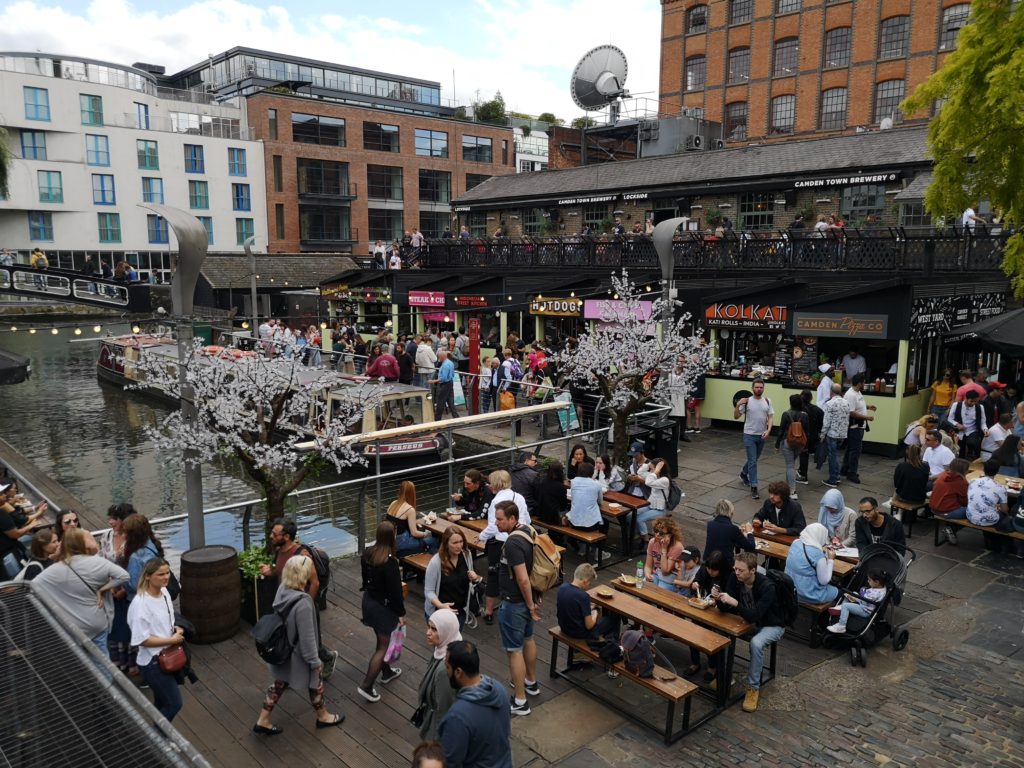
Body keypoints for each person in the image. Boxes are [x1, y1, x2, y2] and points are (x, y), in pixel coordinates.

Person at [253, 555, 344, 734]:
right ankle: (323, 716)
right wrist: (316, 663)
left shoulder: (282, 590)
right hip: (296, 655)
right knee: (315, 683)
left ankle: (263, 719)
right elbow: (308, 640)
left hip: (283, 649)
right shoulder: (304, 603)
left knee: (279, 684)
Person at [258, 518, 338, 675]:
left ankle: (328, 658)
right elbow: (280, 570)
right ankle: (288, 674)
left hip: (303, 605)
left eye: (275, 534)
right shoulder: (279, 550)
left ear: (286, 537)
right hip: (287, 603)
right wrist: (271, 571)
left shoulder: (302, 556)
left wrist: (306, 604)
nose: (271, 536)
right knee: (290, 638)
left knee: (311, 640)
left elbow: (314, 583)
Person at [33, 528, 129, 652]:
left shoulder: (56, 569)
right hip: (97, 620)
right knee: (102, 660)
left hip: (73, 625)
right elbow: (124, 576)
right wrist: (102, 589)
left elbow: (34, 584)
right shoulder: (99, 562)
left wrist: (54, 558)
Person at [714, 552, 785, 713]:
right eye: (735, 569)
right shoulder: (734, 578)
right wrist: (719, 599)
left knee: (756, 643)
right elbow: (727, 608)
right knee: (721, 631)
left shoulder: (767, 587)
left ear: (753, 570)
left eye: (741, 570)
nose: (737, 572)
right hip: (747, 620)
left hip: (772, 624)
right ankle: (724, 676)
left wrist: (736, 603)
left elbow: (755, 615)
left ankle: (753, 688)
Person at [495, 500, 540, 717]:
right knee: (528, 638)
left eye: (500, 519)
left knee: (514, 651)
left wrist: (530, 606)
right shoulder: (528, 530)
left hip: (515, 602)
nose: (497, 522)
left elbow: (522, 578)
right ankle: (531, 681)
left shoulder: (512, 543)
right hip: (526, 599)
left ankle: (521, 700)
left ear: (512, 519)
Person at [127, 557, 186, 721]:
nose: (166, 577)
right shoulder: (140, 604)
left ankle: (156, 735)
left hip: (166, 655)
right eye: (161, 574)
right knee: (174, 703)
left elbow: (165, 619)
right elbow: (142, 639)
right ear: (147, 576)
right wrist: (172, 640)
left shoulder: (164, 592)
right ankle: (159, 736)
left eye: (167, 573)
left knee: (162, 702)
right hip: (152, 662)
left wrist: (175, 629)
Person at [440, 640, 512, 768]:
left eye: (447, 667)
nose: (447, 671)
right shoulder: (499, 689)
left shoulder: (457, 717)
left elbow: (450, 762)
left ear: (458, 672)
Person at [358, 521, 406, 703]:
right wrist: (400, 613)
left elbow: (365, 580)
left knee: (381, 637)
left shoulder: (367, 554)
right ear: (392, 536)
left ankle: (386, 671)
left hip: (369, 601)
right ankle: (367, 686)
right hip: (383, 607)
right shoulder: (390, 563)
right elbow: (395, 593)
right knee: (383, 646)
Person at [478, 471, 528, 625]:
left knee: (494, 574)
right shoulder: (519, 497)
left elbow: (494, 526)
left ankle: (489, 611)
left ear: (497, 484)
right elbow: (526, 519)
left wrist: (481, 536)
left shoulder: (496, 502)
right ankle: (521, 605)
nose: (489, 485)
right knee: (518, 573)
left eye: (491, 482)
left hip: (500, 542)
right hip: (519, 539)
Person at [555, 562, 621, 662]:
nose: (589, 586)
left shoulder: (563, 587)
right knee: (613, 619)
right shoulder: (583, 596)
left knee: (601, 618)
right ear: (585, 581)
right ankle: (612, 652)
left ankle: (604, 643)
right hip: (578, 633)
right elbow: (589, 625)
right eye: (590, 583)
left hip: (564, 627)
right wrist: (594, 612)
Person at [415, 608, 462, 742]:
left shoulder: (444, 669)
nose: (428, 633)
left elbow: (444, 707)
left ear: (446, 631)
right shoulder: (444, 648)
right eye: (428, 627)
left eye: (434, 629)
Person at [424, 527, 481, 628]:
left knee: (456, 642)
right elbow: (429, 591)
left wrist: (475, 577)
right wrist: (441, 606)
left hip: (460, 611)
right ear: (446, 544)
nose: (459, 546)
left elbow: (473, 580)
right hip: (440, 613)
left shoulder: (467, 555)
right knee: (441, 643)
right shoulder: (436, 562)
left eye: (461, 541)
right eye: (454, 543)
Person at [735, 378, 774, 500]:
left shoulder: (767, 401)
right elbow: (736, 417)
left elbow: (771, 417)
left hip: (761, 435)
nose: (759, 389)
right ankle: (754, 487)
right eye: (757, 387)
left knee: (754, 459)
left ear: (763, 388)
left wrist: (768, 430)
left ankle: (743, 473)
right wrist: (738, 405)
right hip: (749, 435)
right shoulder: (747, 402)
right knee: (753, 461)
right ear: (752, 388)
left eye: (761, 387)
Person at [784, 523, 839, 605]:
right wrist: (830, 560)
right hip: (807, 594)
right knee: (838, 591)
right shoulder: (818, 554)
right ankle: (828, 616)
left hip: (789, 589)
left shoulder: (795, 543)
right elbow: (824, 581)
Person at [0, 482, 44, 579]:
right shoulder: (1, 514)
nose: (4, 495)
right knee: (17, 576)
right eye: (1, 494)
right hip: (7, 553)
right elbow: (15, 534)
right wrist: (31, 525)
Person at [826, 569, 888, 634]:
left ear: (877, 582)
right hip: (867, 605)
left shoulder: (874, 594)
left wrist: (856, 598)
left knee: (846, 605)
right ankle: (840, 608)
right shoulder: (883, 588)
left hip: (864, 610)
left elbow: (864, 601)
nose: (868, 581)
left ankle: (841, 625)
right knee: (852, 594)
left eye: (869, 580)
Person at [387, 481, 437, 557]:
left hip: (391, 542)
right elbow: (414, 533)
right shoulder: (410, 509)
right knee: (434, 540)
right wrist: (427, 534)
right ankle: (427, 563)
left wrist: (415, 522)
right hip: (401, 544)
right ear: (412, 493)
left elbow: (399, 522)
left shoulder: (393, 503)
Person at [842, 373, 876, 484]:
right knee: (855, 451)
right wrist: (867, 417)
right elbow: (851, 412)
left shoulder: (857, 392)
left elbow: (858, 406)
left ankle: (845, 469)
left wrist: (868, 406)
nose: (864, 384)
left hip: (859, 426)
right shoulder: (851, 395)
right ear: (859, 383)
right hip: (855, 426)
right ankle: (852, 473)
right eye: (863, 382)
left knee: (850, 449)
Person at [704, 498, 756, 568]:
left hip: (708, 562)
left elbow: (722, 536)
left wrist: (738, 533)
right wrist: (749, 532)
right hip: (724, 566)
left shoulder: (710, 524)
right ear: (731, 512)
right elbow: (751, 546)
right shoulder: (732, 529)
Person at [775, 393, 808, 498]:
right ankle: (787, 486)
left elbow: (780, 431)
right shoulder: (805, 415)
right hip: (800, 444)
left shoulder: (786, 414)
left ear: (790, 403)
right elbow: (807, 432)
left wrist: (777, 444)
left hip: (787, 442)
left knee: (790, 466)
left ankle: (792, 491)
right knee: (791, 464)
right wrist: (805, 445)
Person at [966, 458, 1014, 532]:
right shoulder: (1000, 488)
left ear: (984, 469)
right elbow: (1004, 509)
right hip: (988, 521)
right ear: (997, 471)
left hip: (970, 516)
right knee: (1006, 516)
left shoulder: (973, 481)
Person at [930, 457, 970, 543]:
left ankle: (950, 528)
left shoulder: (944, 474)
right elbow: (965, 502)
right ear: (963, 470)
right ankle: (951, 529)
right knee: (974, 514)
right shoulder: (960, 482)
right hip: (944, 510)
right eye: (967, 469)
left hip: (933, 507)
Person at [821, 383, 851, 488]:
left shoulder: (830, 404)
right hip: (842, 434)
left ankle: (833, 479)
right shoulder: (846, 403)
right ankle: (837, 476)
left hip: (832, 434)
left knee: (832, 456)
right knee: (836, 455)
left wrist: (822, 435)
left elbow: (826, 422)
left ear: (831, 392)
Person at [949, 389, 988, 460]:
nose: (973, 403)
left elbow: (983, 422)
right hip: (959, 432)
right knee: (960, 452)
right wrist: (957, 424)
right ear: (966, 398)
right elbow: (950, 419)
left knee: (972, 443)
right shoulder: (956, 405)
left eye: (976, 401)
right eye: (971, 401)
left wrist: (985, 430)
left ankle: (971, 454)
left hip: (972, 431)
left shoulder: (980, 407)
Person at [535, 461, 570, 535]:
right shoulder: (560, 486)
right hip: (554, 517)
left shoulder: (542, 481)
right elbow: (563, 505)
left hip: (541, 514)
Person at [798, 389, 824, 483]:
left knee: (803, 454)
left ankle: (803, 475)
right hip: (813, 435)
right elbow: (821, 423)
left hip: (802, 435)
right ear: (811, 398)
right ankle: (802, 471)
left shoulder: (800, 410)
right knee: (808, 453)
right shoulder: (818, 409)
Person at [508, 451, 541, 516]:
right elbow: (538, 494)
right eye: (535, 460)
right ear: (527, 461)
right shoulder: (534, 475)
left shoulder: (511, 470)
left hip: (511, 503)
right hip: (527, 506)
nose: (536, 463)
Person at [430, 350, 459, 420]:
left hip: (444, 385)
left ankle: (437, 419)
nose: (438, 358)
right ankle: (456, 417)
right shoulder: (450, 363)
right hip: (450, 383)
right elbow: (452, 374)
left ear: (442, 357)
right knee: (450, 401)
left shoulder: (445, 365)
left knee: (440, 402)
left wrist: (433, 381)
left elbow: (443, 378)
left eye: (439, 357)